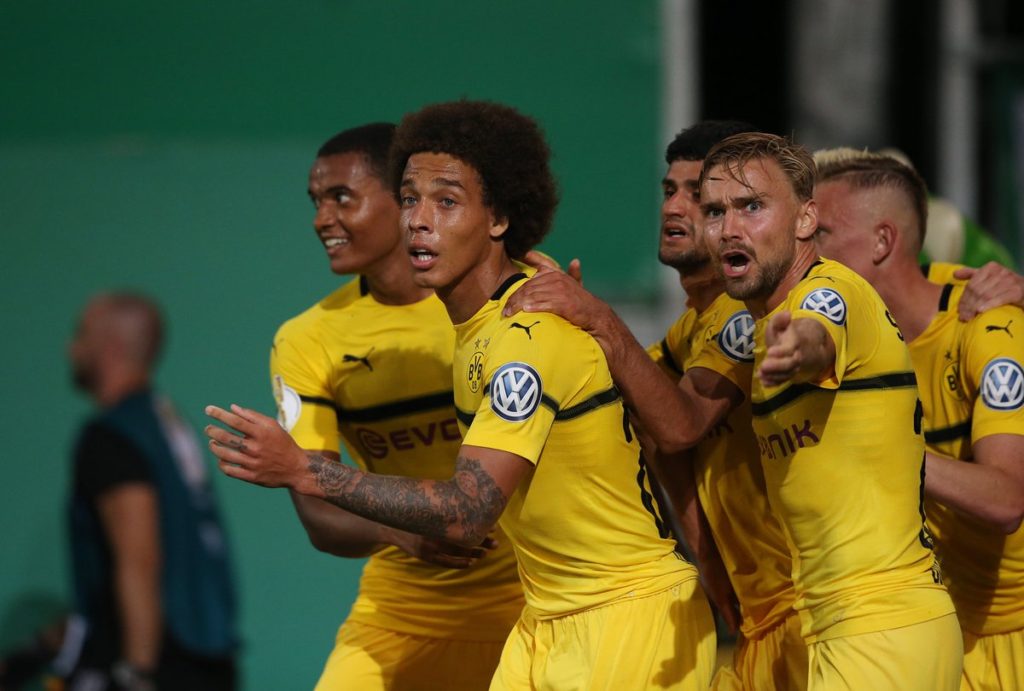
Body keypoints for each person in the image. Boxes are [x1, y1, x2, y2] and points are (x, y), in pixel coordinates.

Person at [205, 100, 716, 690]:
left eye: (445, 202)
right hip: (546, 621)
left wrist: (304, 469)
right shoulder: (470, 329)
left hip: (622, 615)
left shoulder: (528, 329)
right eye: (409, 199)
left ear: (498, 218)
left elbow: (466, 512)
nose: (418, 221)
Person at [505, 121, 806, 690]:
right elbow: (649, 428)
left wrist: (597, 318)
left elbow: (679, 426)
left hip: (808, 608)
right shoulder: (688, 330)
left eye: (699, 196)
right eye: (670, 190)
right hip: (761, 614)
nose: (675, 206)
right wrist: (709, 561)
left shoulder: (746, 315)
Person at [696, 132, 960, 689]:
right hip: (847, 627)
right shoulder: (763, 320)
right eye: (716, 211)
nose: (730, 228)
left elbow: (820, 328)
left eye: (752, 206)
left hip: (881, 630)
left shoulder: (830, 291)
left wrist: (801, 348)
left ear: (805, 219)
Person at [268, 123, 523, 691]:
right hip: (403, 607)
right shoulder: (306, 339)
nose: (322, 219)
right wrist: (403, 534)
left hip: (532, 601)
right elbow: (317, 513)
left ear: (404, 202)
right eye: (316, 201)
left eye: (342, 198)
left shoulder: (512, 297)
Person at [812, 148, 1024, 689]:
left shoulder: (986, 325)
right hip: (948, 632)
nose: (806, 252)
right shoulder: (843, 343)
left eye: (821, 233)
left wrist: (891, 452)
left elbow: (1007, 498)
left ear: (882, 242)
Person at [64, 293, 237, 690]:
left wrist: (138, 673)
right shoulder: (168, 423)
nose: (70, 348)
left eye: (80, 334)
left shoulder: (112, 435)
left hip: (161, 663)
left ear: (110, 347)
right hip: (209, 656)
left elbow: (138, 557)